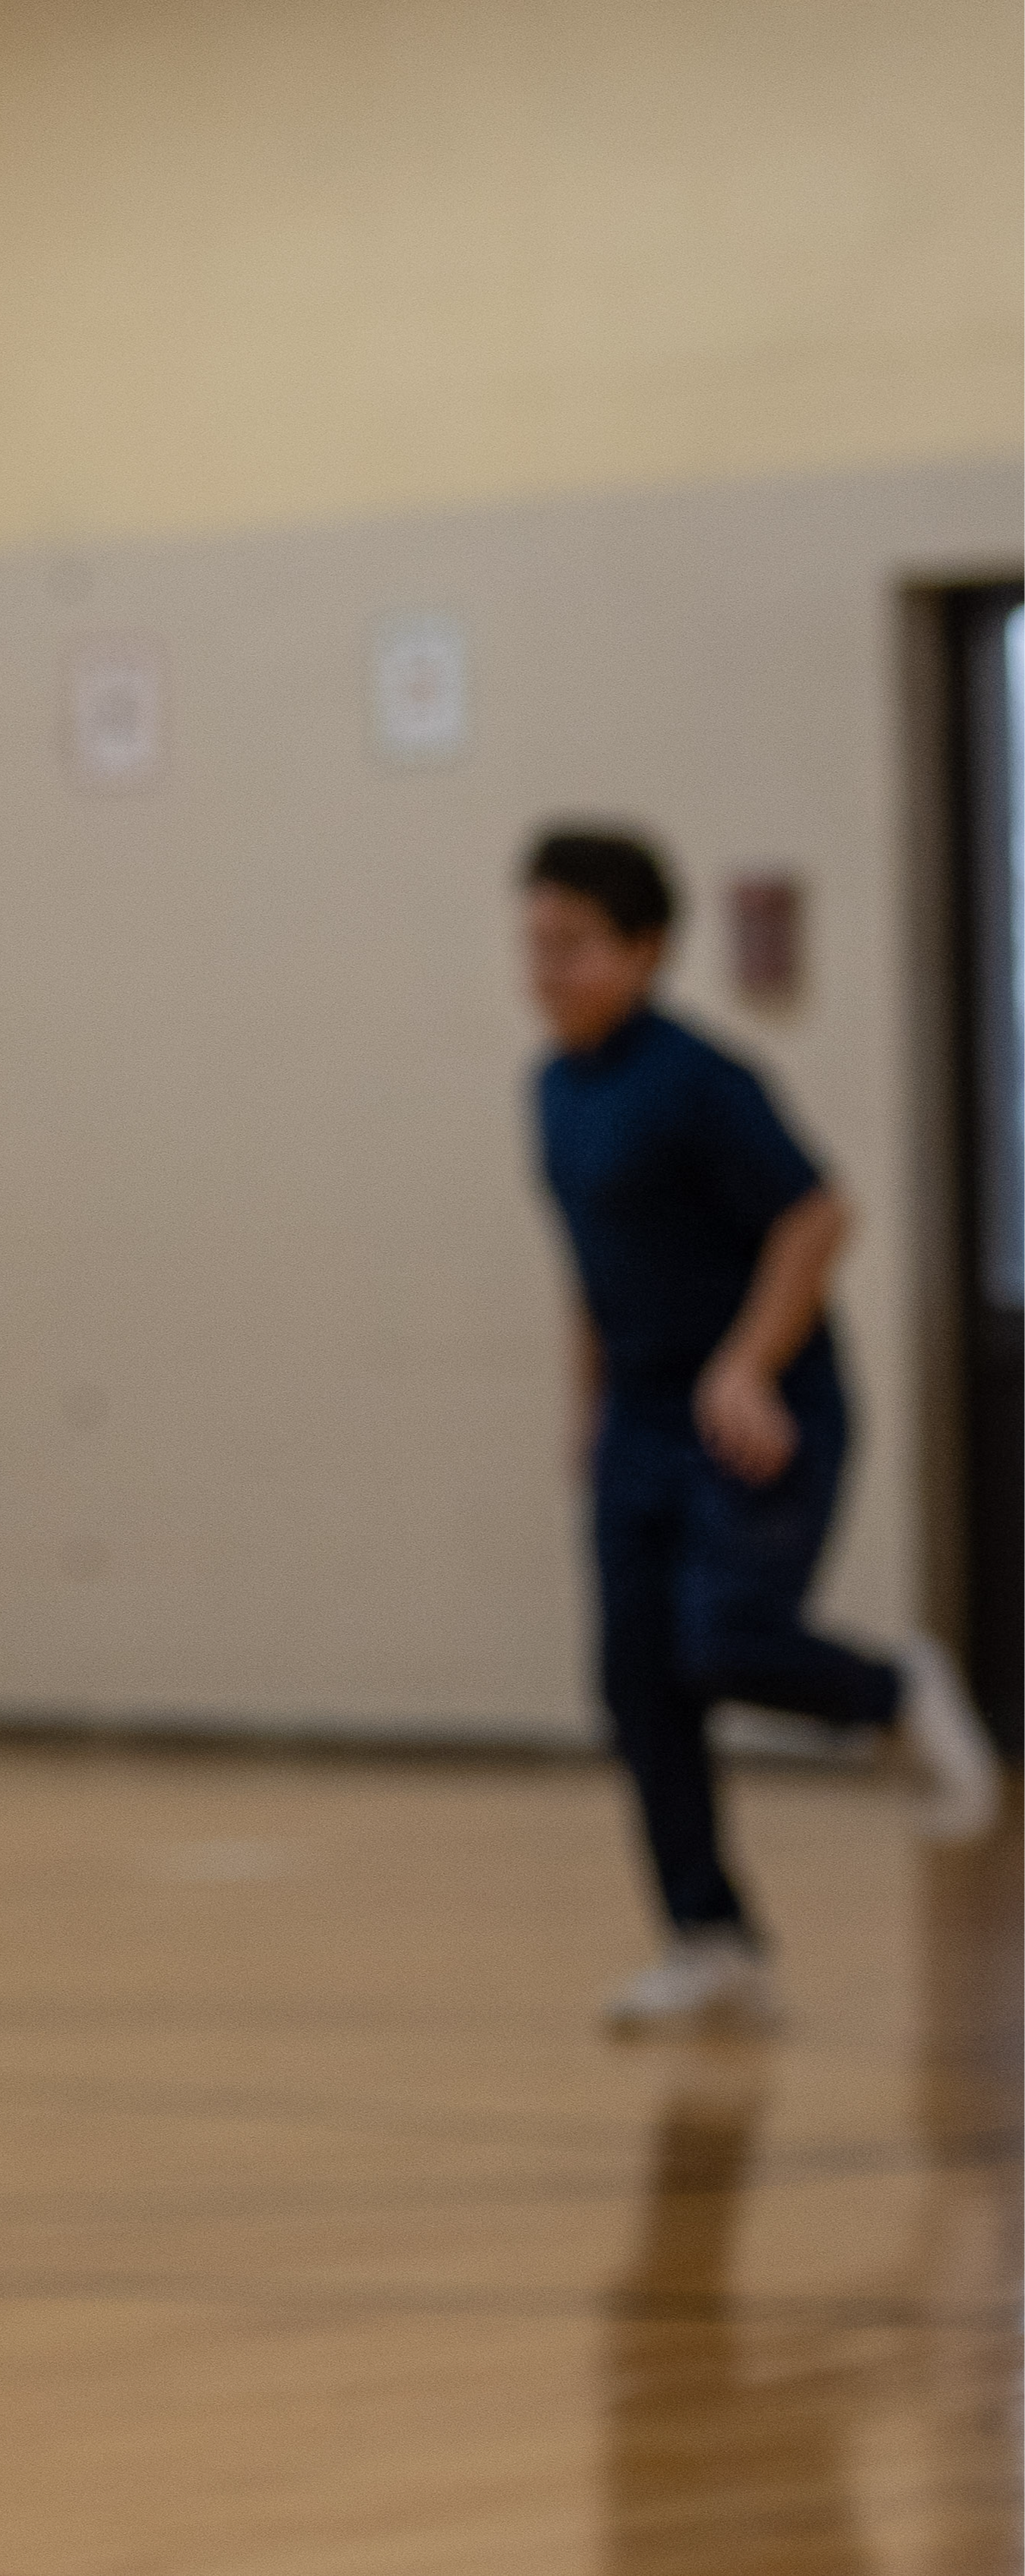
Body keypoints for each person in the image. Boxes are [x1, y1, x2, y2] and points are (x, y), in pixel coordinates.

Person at [525, 822, 997, 2037]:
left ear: (644, 949)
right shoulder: (548, 1091)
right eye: (532, 944)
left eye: (571, 945)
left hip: (757, 1403)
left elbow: (816, 1213)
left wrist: (744, 1362)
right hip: (635, 1418)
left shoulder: (696, 1080)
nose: (544, 969)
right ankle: (709, 1939)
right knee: (635, 1678)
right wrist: (583, 1411)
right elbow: (588, 1266)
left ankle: (892, 1690)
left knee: (722, 1633)